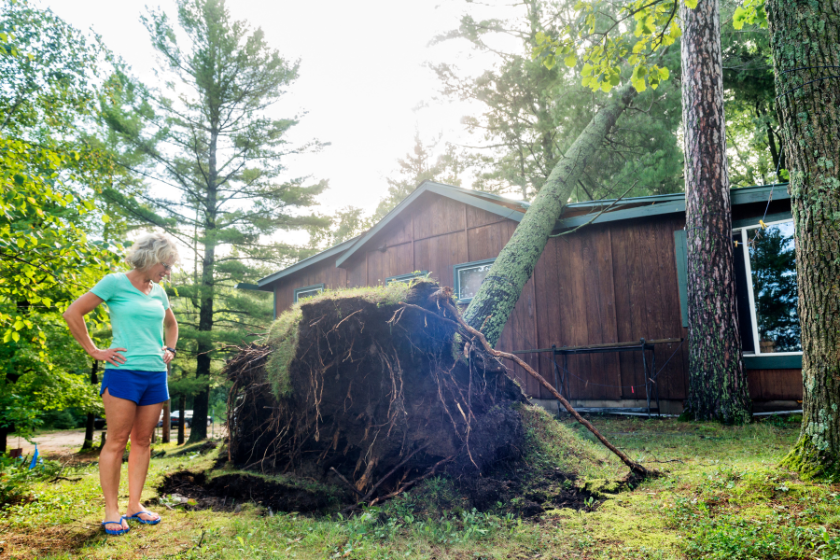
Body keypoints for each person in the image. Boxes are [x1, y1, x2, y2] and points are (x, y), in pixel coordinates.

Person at [63, 232, 179, 536]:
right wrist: (94, 350)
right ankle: (112, 510)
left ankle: (134, 506)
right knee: (116, 441)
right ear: (151, 258)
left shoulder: (159, 292)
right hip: (123, 373)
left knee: (143, 441)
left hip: (155, 374)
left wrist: (171, 349)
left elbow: (171, 324)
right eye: (165, 265)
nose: (167, 272)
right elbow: (73, 312)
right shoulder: (114, 282)